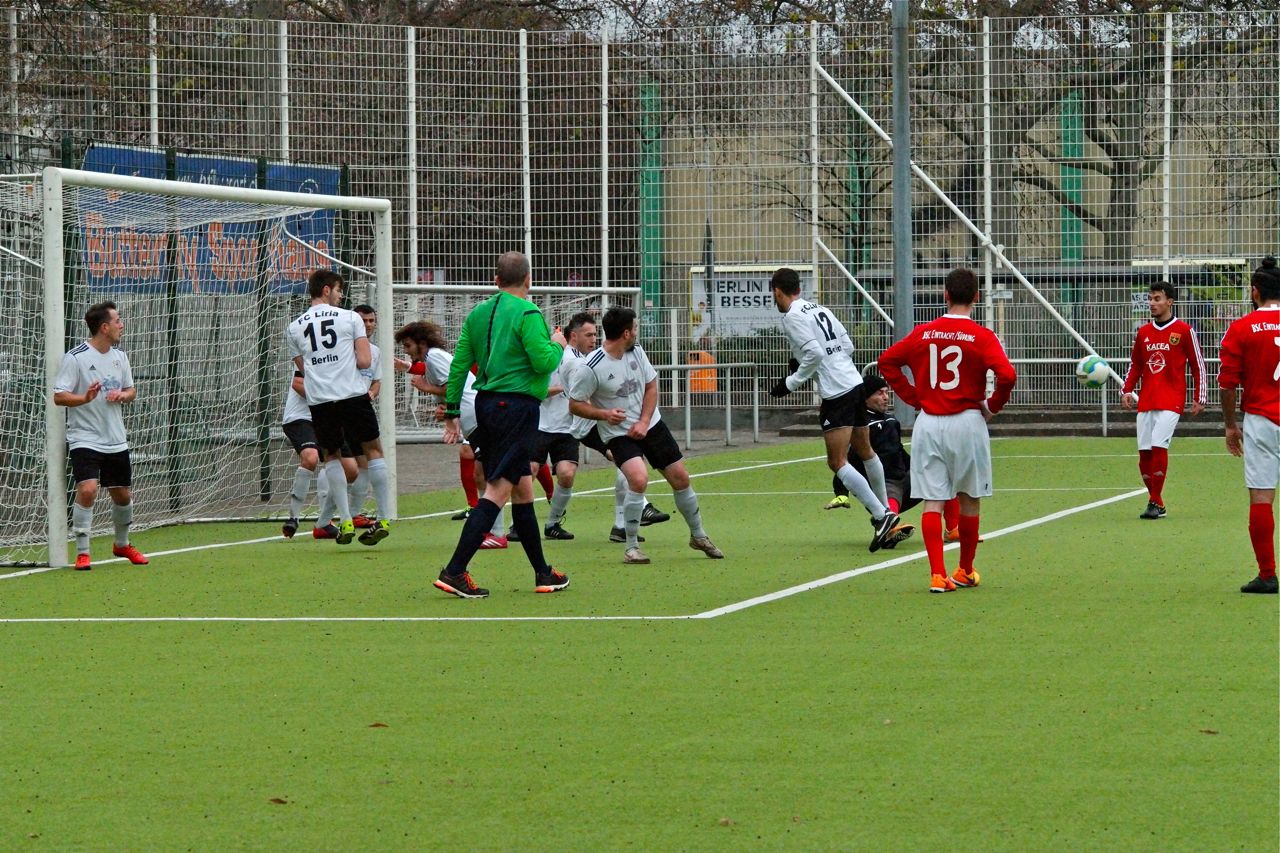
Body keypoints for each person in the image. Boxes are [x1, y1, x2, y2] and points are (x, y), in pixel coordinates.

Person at [434, 251, 571, 598]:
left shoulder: (477, 314)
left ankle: (543, 573)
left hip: (488, 406)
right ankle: (454, 571)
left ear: (496, 281)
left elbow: (459, 365)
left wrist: (452, 410)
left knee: (523, 489)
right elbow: (543, 362)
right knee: (498, 490)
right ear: (528, 280)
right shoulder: (528, 312)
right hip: (517, 408)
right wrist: (558, 344)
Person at [878, 267, 1016, 593]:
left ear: (945, 294)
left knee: (933, 499)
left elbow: (887, 362)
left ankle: (937, 575)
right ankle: (965, 570)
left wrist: (914, 397)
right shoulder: (982, 336)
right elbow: (1007, 375)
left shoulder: (924, 333)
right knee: (969, 498)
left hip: (928, 422)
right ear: (977, 297)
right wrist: (993, 405)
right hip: (967, 422)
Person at [569, 306, 724, 565]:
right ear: (626, 333)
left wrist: (643, 421)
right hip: (619, 433)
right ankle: (631, 547)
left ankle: (698, 536)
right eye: (635, 328)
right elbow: (575, 404)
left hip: (651, 424)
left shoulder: (637, 351)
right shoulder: (590, 366)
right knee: (638, 480)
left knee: (681, 478)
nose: (637, 332)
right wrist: (604, 414)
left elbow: (651, 386)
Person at [767, 267, 900, 552]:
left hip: (837, 392)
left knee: (837, 462)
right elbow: (847, 346)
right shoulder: (819, 308)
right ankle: (887, 517)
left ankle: (882, 516)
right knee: (866, 452)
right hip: (854, 383)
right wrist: (814, 362)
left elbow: (814, 353)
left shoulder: (792, 316)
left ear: (777, 291)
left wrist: (791, 382)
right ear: (799, 288)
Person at [284, 269, 391, 546]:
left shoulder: (294, 327)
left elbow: (303, 368)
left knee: (331, 456)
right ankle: (384, 517)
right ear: (327, 290)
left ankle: (344, 520)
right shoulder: (350, 318)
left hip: (321, 401)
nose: (341, 295)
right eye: (339, 290)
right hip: (352, 395)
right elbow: (365, 361)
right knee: (373, 451)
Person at [393, 320, 509, 550]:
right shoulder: (432, 359)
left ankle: (498, 533)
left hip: (479, 417)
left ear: (421, 343)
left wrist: (427, 389)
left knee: (491, 475)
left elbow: (453, 386)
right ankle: (493, 531)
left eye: (408, 345)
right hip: (474, 419)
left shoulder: (434, 357)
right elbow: (450, 391)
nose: (406, 350)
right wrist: (446, 413)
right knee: (482, 475)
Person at [52, 301, 149, 571]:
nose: (122, 325)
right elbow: (59, 396)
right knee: (88, 490)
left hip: (115, 439)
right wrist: (84, 398)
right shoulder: (76, 357)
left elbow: (131, 390)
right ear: (104, 327)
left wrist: (123, 395)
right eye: (118, 321)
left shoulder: (120, 357)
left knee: (123, 495)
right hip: (85, 438)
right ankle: (83, 552)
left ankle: (122, 544)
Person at [1219, 256, 1280, 595]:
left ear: (1255, 291)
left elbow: (1228, 383)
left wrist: (1230, 426)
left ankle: (1268, 576)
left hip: (1262, 420)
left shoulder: (1241, 328)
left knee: (1261, 496)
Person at [1121, 281, 1207, 520]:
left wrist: (1200, 396)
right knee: (1144, 457)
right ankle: (1158, 503)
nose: (1152, 303)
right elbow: (1136, 365)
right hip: (1147, 400)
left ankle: (1153, 502)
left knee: (1159, 447)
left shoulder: (1184, 330)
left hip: (1172, 400)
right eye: (1150, 299)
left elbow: (1198, 365)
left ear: (1170, 302)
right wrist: (1126, 390)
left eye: (1157, 299)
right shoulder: (1143, 333)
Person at [279, 370, 356, 540]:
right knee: (310, 457)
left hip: (328, 418)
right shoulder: (308, 356)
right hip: (300, 417)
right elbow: (297, 383)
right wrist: (326, 401)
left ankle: (323, 523)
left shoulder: (346, 360)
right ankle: (293, 518)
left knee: (351, 470)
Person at [348, 304, 382, 528]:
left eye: (371, 321)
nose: (368, 325)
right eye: (363, 321)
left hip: (360, 411)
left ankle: (353, 514)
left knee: (365, 463)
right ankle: (327, 518)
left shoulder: (375, 351)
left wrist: (371, 393)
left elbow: (376, 381)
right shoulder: (342, 349)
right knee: (339, 463)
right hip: (340, 410)